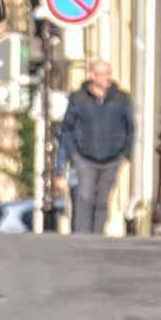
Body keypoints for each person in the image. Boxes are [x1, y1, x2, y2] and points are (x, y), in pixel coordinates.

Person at [55, 59, 134, 234]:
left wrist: (125, 154)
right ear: (91, 75)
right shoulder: (79, 99)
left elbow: (130, 127)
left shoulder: (121, 99)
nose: (106, 78)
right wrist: (73, 155)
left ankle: (98, 237)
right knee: (85, 197)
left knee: (103, 200)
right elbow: (67, 128)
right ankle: (83, 239)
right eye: (102, 74)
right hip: (84, 157)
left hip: (112, 158)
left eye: (108, 73)